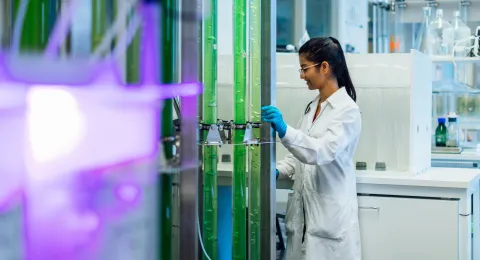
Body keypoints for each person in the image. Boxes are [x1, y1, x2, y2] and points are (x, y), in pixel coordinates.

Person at [262, 36, 362, 260]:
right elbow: (299, 156)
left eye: (305, 68)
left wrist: (284, 129)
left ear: (324, 67)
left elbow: (320, 152)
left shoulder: (347, 111)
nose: (302, 75)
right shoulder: (312, 107)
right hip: (304, 222)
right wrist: (277, 171)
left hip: (330, 225)